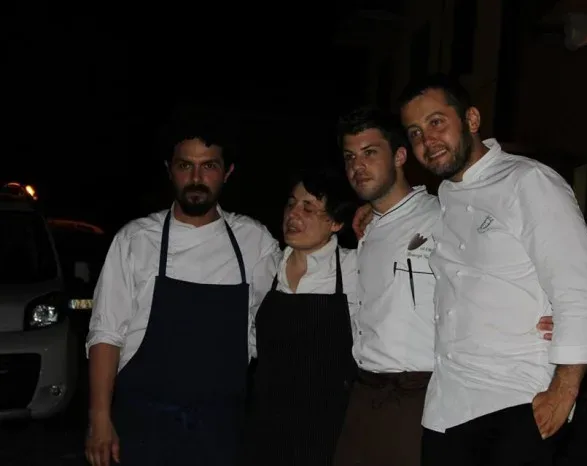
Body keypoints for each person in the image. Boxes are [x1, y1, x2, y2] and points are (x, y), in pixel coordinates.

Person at [396, 74, 587, 465]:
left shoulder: (527, 181)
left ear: (471, 119)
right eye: (415, 133)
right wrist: (369, 215)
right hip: (447, 405)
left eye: (436, 122)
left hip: (517, 401)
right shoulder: (443, 199)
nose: (427, 140)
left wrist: (565, 387)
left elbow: (581, 287)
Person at [334, 106, 555, 466]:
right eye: (350, 157)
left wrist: (552, 313)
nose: (358, 166)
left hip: (422, 394)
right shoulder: (365, 229)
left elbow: (517, 262)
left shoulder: (444, 215)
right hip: (364, 394)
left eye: (370, 152)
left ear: (400, 156)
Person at [84, 107, 278, 466]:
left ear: (227, 172)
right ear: (169, 170)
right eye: (185, 165)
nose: (197, 178)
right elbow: (106, 333)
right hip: (142, 426)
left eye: (210, 166)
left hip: (221, 430)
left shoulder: (255, 241)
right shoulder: (136, 239)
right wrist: (99, 418)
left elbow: (279, 314)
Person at [245, 168, 359, 465]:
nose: (293, 214)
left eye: (308, 207)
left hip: (328, 429)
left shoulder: (355, 269)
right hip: (266, 426)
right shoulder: (266, 266)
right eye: (291, 203)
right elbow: (249, 343)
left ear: (336, 222)